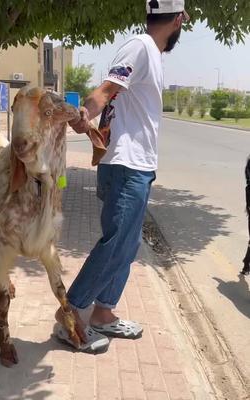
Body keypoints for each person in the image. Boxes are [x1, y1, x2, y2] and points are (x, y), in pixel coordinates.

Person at [55, 0, 189, 352]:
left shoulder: (150, 54)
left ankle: (103, 313)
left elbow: (113, 92)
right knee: (115, 245)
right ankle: (71, 317)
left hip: (136, 164)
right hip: (127, 164)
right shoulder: (141, 47)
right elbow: (106, 90)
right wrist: (85, 110)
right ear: (179, 19)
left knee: (128, 246)